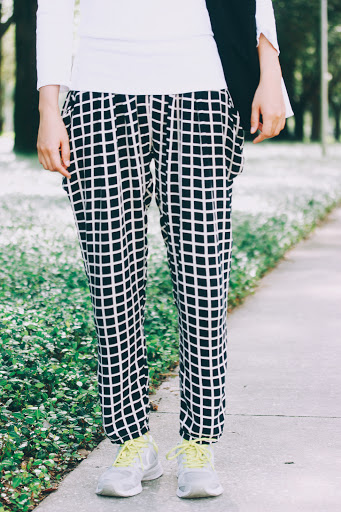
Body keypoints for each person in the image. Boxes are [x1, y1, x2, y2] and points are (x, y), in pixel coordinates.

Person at [36, 0, 294, 500]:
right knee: (111, 280)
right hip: (97, 97)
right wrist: (50, 107)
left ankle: (199, 443)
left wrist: (271, 71)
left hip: (201, 88)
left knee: (202, 278)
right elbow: (50, 7)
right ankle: (132, 443)